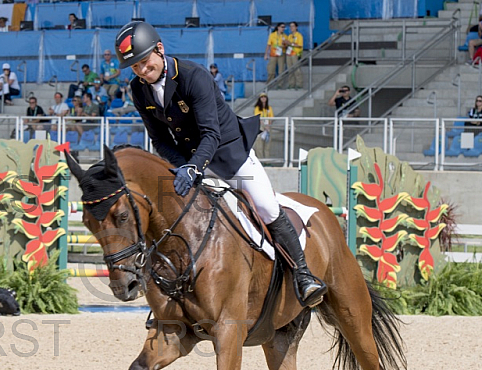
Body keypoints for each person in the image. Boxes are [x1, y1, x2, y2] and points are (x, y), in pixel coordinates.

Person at [114, 21, 326, 307]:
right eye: (135, 67)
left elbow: (211, 133)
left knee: (265, 206)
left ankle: (303, 275)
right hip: (188, 162)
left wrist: (194, 166)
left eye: (143, 62)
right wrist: (181, 166)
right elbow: (159, 140)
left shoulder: (193, 76)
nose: (141, 71)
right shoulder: (138, 90)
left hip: (229, 156)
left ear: (160, 49)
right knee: (167, 216)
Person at [253, 93, 274, 160]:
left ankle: (267, 161)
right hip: (261, 128)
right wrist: (264, 126)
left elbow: (271, 117)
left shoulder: (269, 108)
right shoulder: (257, 108)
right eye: (262, 97)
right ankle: (261, 160)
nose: (263, 98)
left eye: (265, 97)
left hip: (268, 128)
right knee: (259, 146)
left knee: (267, 146)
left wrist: (268, 126)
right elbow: (258, 117)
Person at [284, 22, 304, 89]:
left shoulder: (299, 35)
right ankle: (291, 84)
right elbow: (288, 44)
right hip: (289, 54)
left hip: (295, 54)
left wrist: (291, 43)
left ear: (296, 27)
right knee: (290, 69)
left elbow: (299, 45)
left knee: (297, 69)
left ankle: (299, 84)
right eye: (290, 26)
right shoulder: (289, 36)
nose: (291, 28)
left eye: (293, 26)